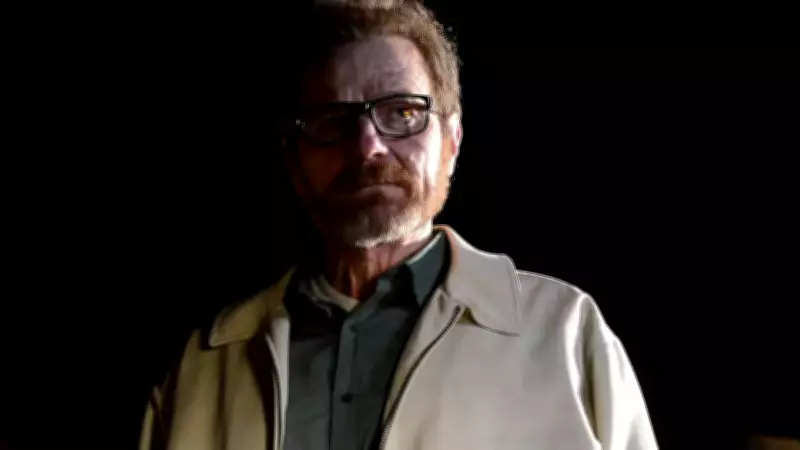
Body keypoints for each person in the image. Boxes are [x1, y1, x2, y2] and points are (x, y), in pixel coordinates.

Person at [139, 1, 659, 449]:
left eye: (403, 113)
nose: (367, 146)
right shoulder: (204, 367)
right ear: (294, 160)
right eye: (331, 121)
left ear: (452, 142)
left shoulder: (564, 335)